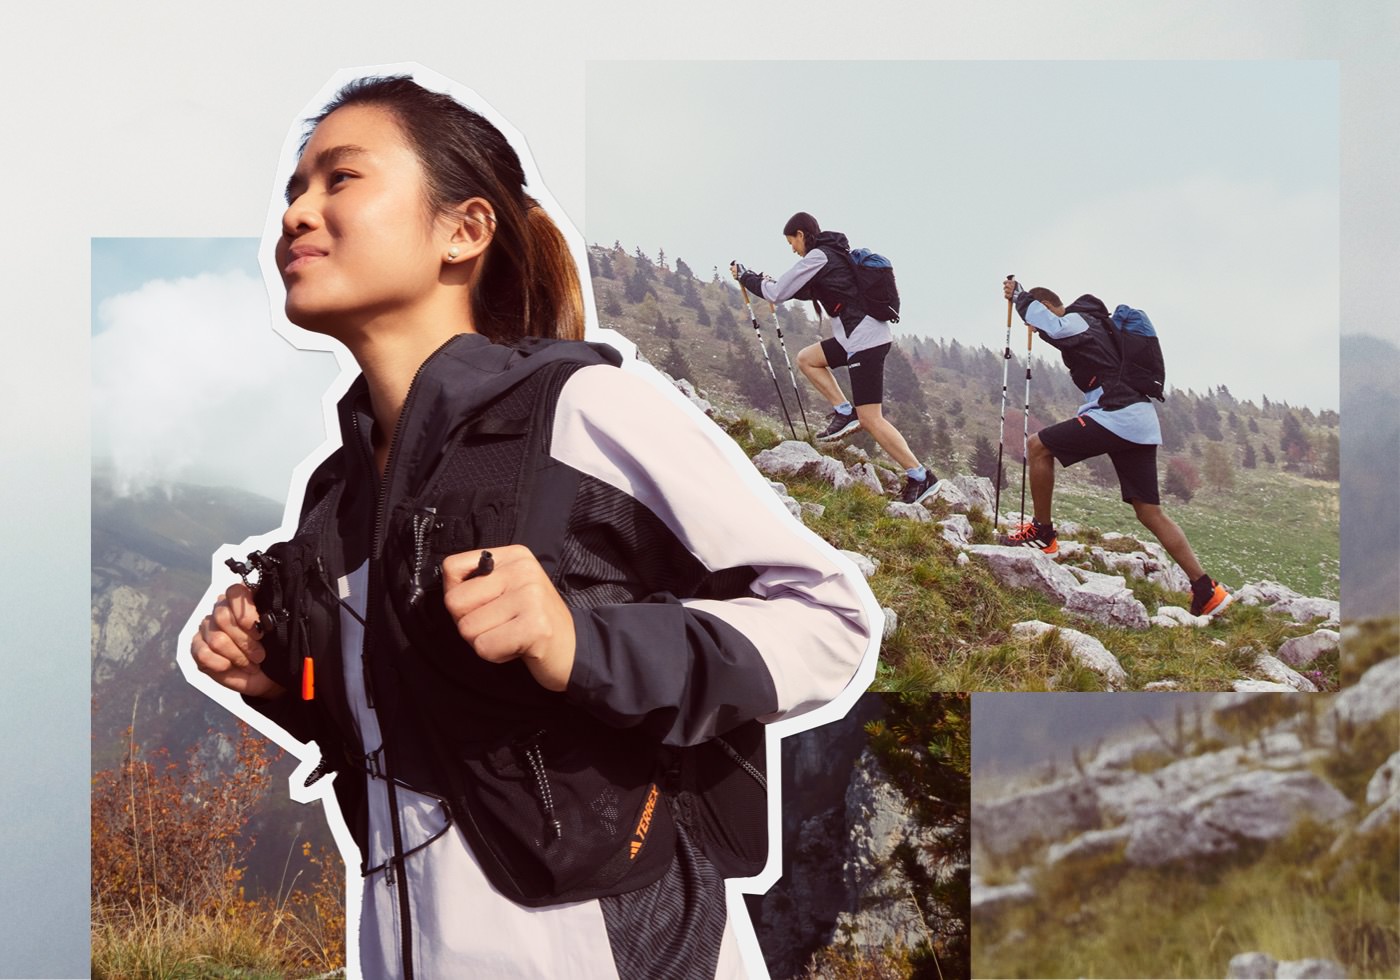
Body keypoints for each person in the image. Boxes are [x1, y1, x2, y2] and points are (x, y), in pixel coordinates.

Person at [188, 74, 872, 979]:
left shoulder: (584, 412)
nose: (298, 213)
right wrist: (283, 683)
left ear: (463, 231)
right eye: (293, 191)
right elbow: (423, 734)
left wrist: (579, 641)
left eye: (339, 179)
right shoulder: (336, 495)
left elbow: (829, 621)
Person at [1000, 278, 1232, 618]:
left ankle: (1043, 534)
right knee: (1149, 511)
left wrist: (1020, 298)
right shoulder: (1091, 326)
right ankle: (1206, 589)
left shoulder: (1080, 319)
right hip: (1138, 420)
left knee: (1038, 446)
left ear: (1048, 307)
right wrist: (1028, 310)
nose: (1034, 331)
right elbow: (1056, 331)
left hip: (1117, 416)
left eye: (1033, 324)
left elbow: (1056, 325)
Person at [730, 212, 939, 505]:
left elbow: (777, 294)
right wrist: (760, 279)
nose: (792, 249)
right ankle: (843, 411)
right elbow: (798, 290)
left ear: (801, 235)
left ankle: (920, 476)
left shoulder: (819, 256)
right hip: (854, 337)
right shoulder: (831, 255)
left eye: (792, 242)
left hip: (865, 340)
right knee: (808, 358)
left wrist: (746, 277)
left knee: (871, 419)